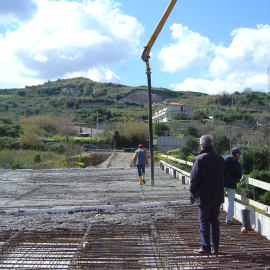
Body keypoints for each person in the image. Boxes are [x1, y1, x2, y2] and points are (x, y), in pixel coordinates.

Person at [190, 134, 225, 255]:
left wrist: (192, 192)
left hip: (204, 197)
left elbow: (194, 179)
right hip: (217, 196)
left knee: (204, 222)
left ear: (202, 145)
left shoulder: (199, 159)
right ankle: (216, 247)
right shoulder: (220, 158)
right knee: (214, 221)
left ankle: (205, 247)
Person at [224, 147, 242, 224]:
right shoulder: (237, 163)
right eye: (238, 154)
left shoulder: (225, 160)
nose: (239, 155)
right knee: (231, 202)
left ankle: (214, 219)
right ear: (235, 154)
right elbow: (239, 175)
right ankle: (229, 219)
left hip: (223, 183)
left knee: (218, 201)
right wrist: (236, 180)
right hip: (232, 184)